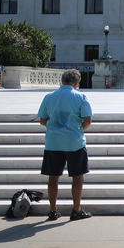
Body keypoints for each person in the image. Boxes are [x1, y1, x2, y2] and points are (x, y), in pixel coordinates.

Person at [38, 69, 92, 221]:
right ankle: (76, 209)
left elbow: (42, 120)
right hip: (74, 141)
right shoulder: (80, 96)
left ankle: (53, 210)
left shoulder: (49, 97)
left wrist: (55, 127)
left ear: (62, 81)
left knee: (53, 177)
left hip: (53, 142)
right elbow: (87, 120)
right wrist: (79, 129)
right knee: (77, 176)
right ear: (77, 83)